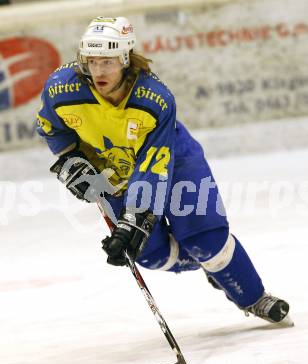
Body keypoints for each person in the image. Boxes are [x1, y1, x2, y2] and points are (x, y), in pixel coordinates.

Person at [36, 16, 290, 324]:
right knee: (148, 253)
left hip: (176, 161)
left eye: (108, 62)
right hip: (112, 171)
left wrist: (135, 216)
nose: (98, 71)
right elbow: (52, 128)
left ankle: (252, 295)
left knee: (205, 240)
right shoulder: (61, 89)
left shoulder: (154, 98)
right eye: (91, 62)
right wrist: (70, 161)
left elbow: (154, 163)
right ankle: (213, 266)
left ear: (126, 59)